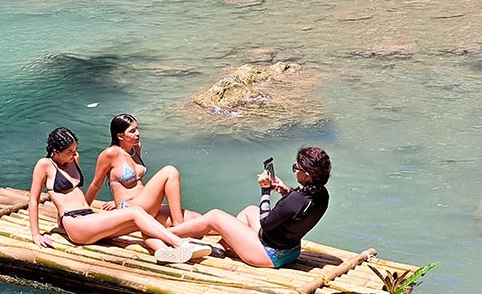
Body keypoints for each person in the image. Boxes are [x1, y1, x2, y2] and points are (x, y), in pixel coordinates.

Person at [28, 127, 211, 264]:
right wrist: (36, 234)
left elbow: (80, 195)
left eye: (75, 150)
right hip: (75, 224)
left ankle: (164, 251)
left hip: (90, 218)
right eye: (69, 152)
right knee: (136, 212)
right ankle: (181, 244)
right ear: (55, 151)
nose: (74, 154)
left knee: (139, 222)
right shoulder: (44, 165)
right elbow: (34, 200)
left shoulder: (74, 160)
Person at [167, 147, 331, 268]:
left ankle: (167, 235)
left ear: (307, 175)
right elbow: (298, 209)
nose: (295, 171)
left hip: (269, 255)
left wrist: (265, 190)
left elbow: (266, 222)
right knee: (250, 211)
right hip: (291, 250)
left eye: (296, 169)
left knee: (215, 216)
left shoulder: (295, 200)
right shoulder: (322, 195)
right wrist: (286, 191)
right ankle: (221, 247)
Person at [85, 114, 199, 226]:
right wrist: (83, 211)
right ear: (120, 136)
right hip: (129, 209)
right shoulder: (110, 154)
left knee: (197, 219)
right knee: (170, 171)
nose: (138, 133)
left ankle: (178, 225)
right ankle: (179, 226)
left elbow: (136, 182)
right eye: (132, 131)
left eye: (137, 129)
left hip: (145, 205)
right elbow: (96, 184)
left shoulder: (136, 148)